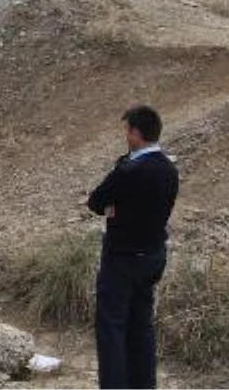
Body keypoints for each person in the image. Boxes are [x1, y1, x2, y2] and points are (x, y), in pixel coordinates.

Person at [87, 105, 180, 390]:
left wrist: (113, 207)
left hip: (122, 258)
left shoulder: (129, 169)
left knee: (112, 327)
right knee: (141, 326)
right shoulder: (168, 169)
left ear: (136, 133)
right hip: (153, 256)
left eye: (127, 130)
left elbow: (95, 201)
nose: (125, 135)